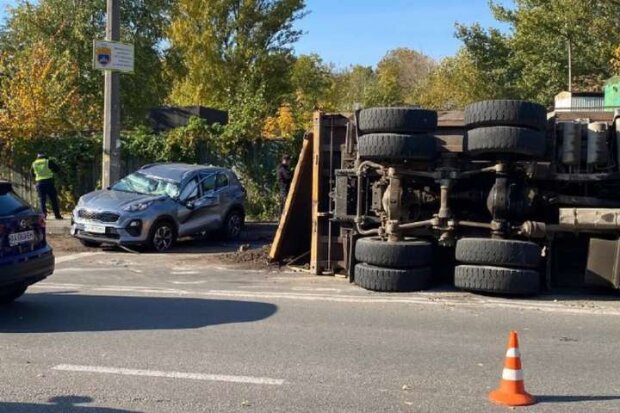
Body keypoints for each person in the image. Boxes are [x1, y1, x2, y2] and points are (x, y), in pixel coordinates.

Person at [31, 153, 63, 219]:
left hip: (39, 183)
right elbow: (57, 169)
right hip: (49, 182)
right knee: (53, 199)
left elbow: (32, 173)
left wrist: (37, 177)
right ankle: (57, 215)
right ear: (45, 156)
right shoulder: (47, 161)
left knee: (42, 200)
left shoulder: (34, 163)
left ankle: (43, 216)